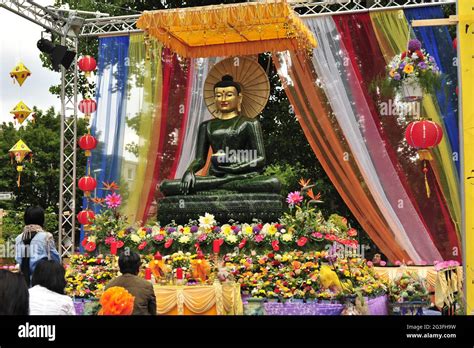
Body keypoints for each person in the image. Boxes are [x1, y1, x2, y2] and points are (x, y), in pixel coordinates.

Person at [160, 74, 280, 196]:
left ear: (239, 98)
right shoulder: (206, 126)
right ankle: (224, 184)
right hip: (215, 175)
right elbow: (200, 160)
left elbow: (260, 158)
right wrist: (189, 172)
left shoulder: (250, 123)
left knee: (273, 182)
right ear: (214, 99)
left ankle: (222, 184)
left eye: (229, 95)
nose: (223, 99)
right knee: (166, 186)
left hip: (242, 175)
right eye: (218, 95)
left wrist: (234, 168)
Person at [15, 206, 61, 286]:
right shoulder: (47, 237)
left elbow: (18, 260)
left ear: (25, 219)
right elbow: (56, 260)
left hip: (22, 283)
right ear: (42, 219)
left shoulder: (18, 238)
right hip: (42, 283)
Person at [105, 251, 156, 315]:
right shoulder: (146, 285)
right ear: (138, 267)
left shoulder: (109, 286)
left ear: (119, 266)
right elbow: (153, 311)